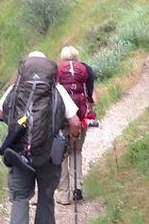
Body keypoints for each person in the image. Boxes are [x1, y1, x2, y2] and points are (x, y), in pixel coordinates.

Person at [0, 51, 81, 224]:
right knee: (46, 199)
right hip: (49, 154)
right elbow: (75, 121)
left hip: (19, 153)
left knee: (20, 199)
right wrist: (73, 134)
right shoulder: (56, 89)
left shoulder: (15, 88)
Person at [55, 45, 97, 205]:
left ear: (62, 58)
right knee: (76, 152)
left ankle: (64, 195)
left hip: (61, 120)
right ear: (77, 57)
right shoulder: (86, 70)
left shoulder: (56, 70)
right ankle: (77, 189)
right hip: (80, 118)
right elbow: (91, 95)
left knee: (61, 156)